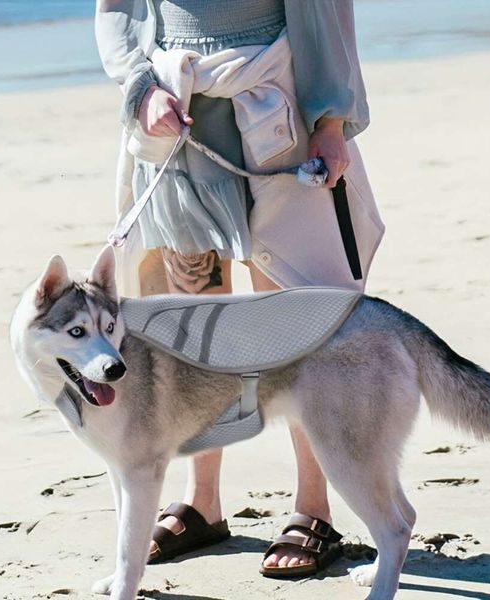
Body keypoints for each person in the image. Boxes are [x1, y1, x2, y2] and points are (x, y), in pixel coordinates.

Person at [95, 0, 384, 578]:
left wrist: (330, 121)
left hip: (275, 106)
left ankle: (314, 508)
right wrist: (141, 88)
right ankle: (203, 502)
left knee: (295, 323)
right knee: (189, 327)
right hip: (174, 112)